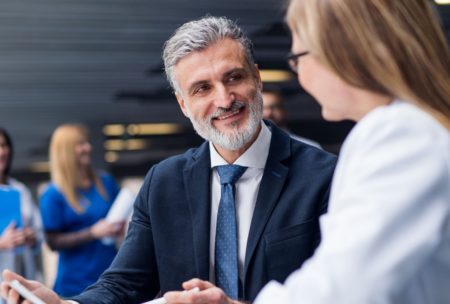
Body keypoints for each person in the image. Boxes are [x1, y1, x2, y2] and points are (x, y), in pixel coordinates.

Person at [0, 16, 336, 304]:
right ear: (183, 105)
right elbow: (123, 284)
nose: (224, 98)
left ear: (257, 78)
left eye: (233, 77)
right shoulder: (164, 182)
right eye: (202, 88)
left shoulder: (325, 177)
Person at [160, 0, 450, 303]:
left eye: (297, 57)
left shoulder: (400, 136)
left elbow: (343, 289)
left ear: (343, 54)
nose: (297, 71)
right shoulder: (408, 129)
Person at [38, 124, 124, 297]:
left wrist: (118, 228)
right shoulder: (53, 194)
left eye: (87, 142)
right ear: (66, 151)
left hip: (109, 274)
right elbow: (53, 242)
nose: (88, 148)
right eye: (80, 144)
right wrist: (93, 233)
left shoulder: (105, 182)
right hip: (75, 283)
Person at [0, 128, 43, 304]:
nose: (1, 151)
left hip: (23, 281)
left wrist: (31, 237)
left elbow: (39, 233)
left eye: (4, 145)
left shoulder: (20, 190)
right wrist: (2, 243)